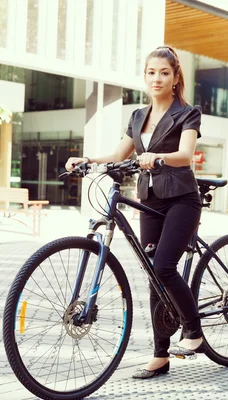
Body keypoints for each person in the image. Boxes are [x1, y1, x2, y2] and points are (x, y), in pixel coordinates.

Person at [65, 45, 203, 379]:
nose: (157, 78)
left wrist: (157, 156)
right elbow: (117, 155)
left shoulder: (188, 113)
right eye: (151, 72)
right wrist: (87, 160)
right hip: (150, 200)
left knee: (164, 266)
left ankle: (194, 331)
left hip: (182, 198)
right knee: (152, 273)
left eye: (164, 73)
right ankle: (160, 355)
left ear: (175, 78)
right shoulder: (138, 116)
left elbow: (185, 154)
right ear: (145, 77)